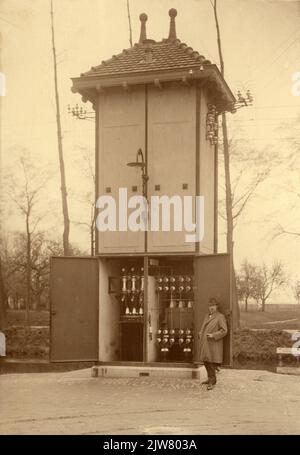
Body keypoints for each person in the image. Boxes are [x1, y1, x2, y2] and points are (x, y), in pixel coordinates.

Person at [198, 297, 228, 390]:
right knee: (206, 362)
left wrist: (213, 335)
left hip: (213, 344)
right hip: (205, 342)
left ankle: (212, 382)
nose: (211, 308)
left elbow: (224, 331)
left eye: (213, 306)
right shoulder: (207, 316)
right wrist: (201, 332)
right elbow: (204, 327)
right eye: (210, 306)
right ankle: (209, 378)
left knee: (211, 363)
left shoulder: (220, 316)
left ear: (217, 306)